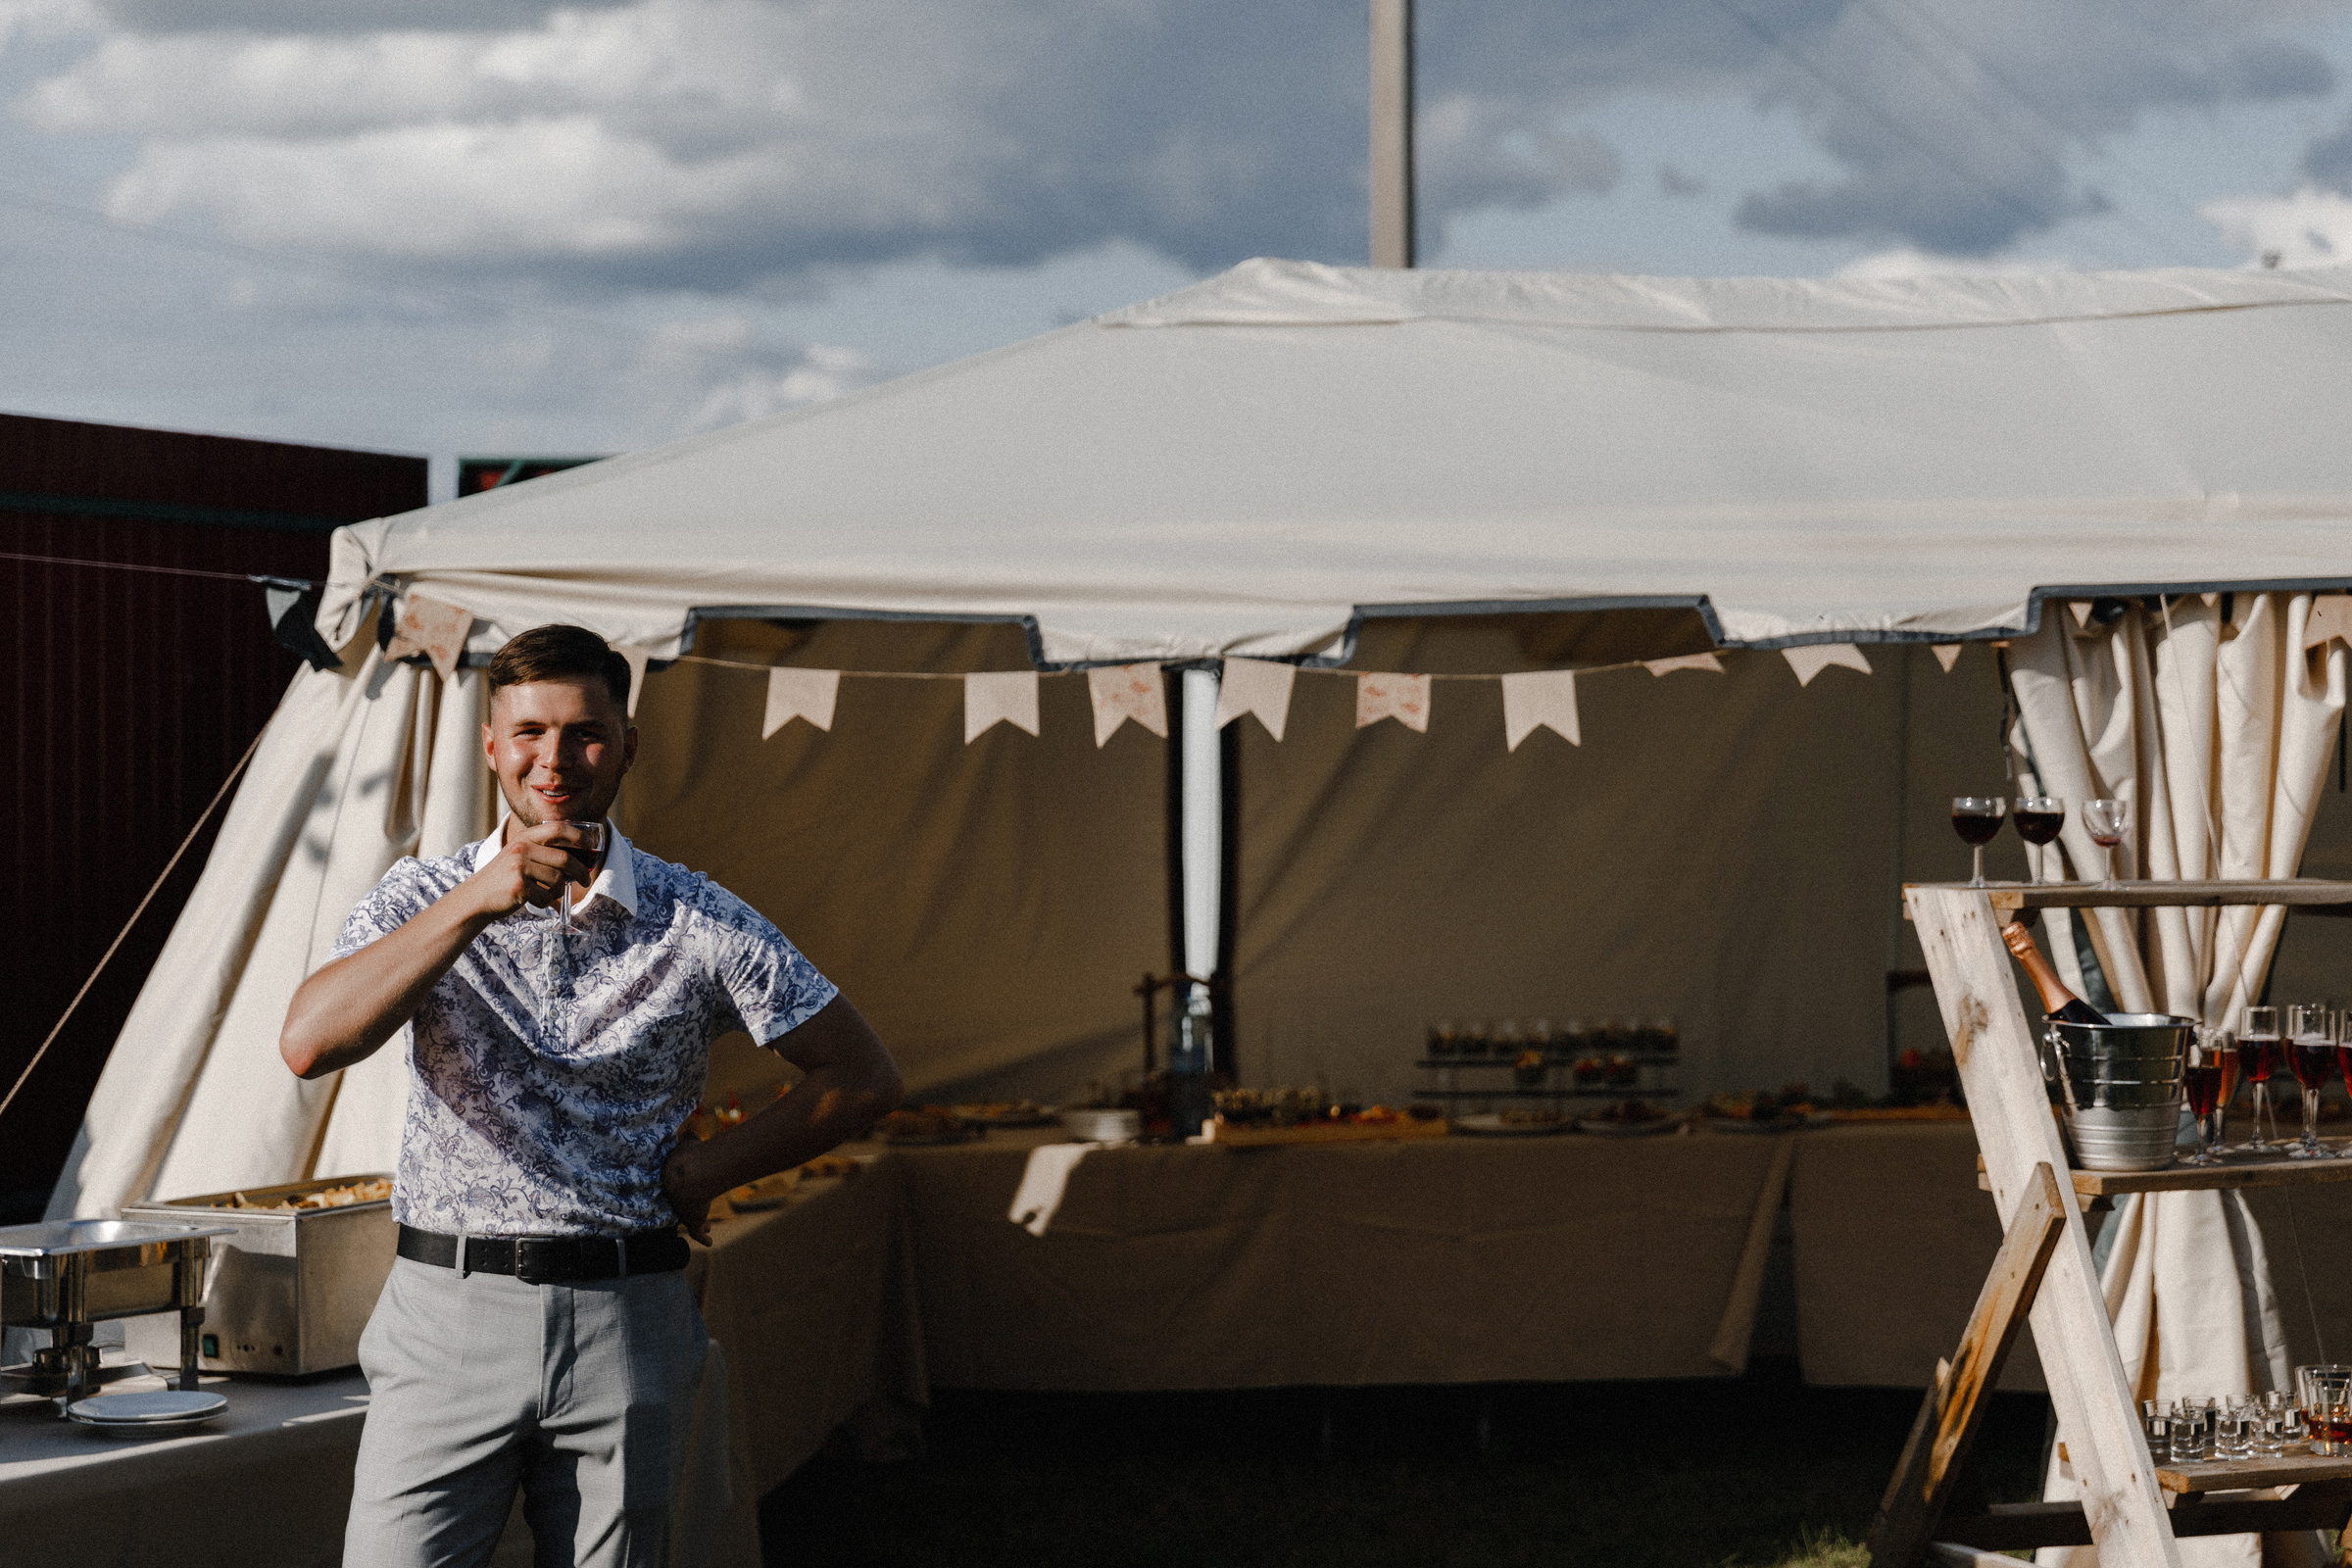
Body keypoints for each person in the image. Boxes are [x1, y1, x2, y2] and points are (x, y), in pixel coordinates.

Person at [280, 622, 902, 1568]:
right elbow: (309, 1042)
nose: (554, 760)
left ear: (627, 745)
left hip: (629, 1319)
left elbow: (864, 1076)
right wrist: (475, 903)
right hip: (448, 1313)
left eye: (584, 733)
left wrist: (710, 1172)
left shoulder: (699, 919)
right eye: (528, 732)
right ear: (491, 746)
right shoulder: (421, 896)